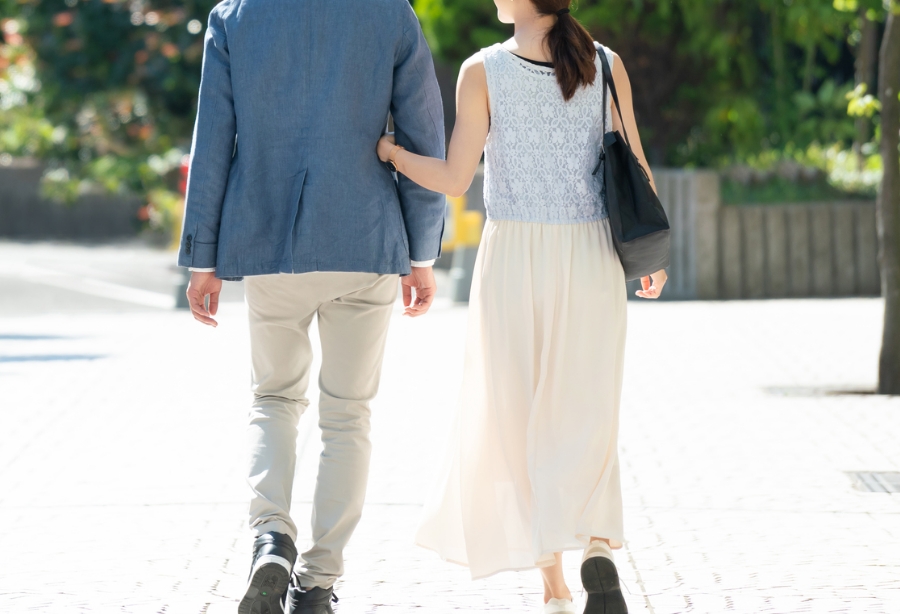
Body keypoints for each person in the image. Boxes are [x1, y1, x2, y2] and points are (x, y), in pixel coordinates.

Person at [376, 0, 666, 612]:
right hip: (592, 255)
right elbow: (636, 163)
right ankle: (596, 545)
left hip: (513, 258)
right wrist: (652, 256)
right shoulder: (606, 63)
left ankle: (554, 586)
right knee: (587, 411)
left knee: (517, 417)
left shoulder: (482, 70)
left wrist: (394, 155)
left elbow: (456, 179)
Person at [178, 0, 445, 613]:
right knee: (348, 416)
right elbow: (422, 133)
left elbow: (212, 136)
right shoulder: (389, 14)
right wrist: (421, 251)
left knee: (273, 399)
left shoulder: (235, 16)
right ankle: (319, 582)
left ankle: (271, 537)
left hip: (269, 237)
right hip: (365, 237)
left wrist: (203, 257)